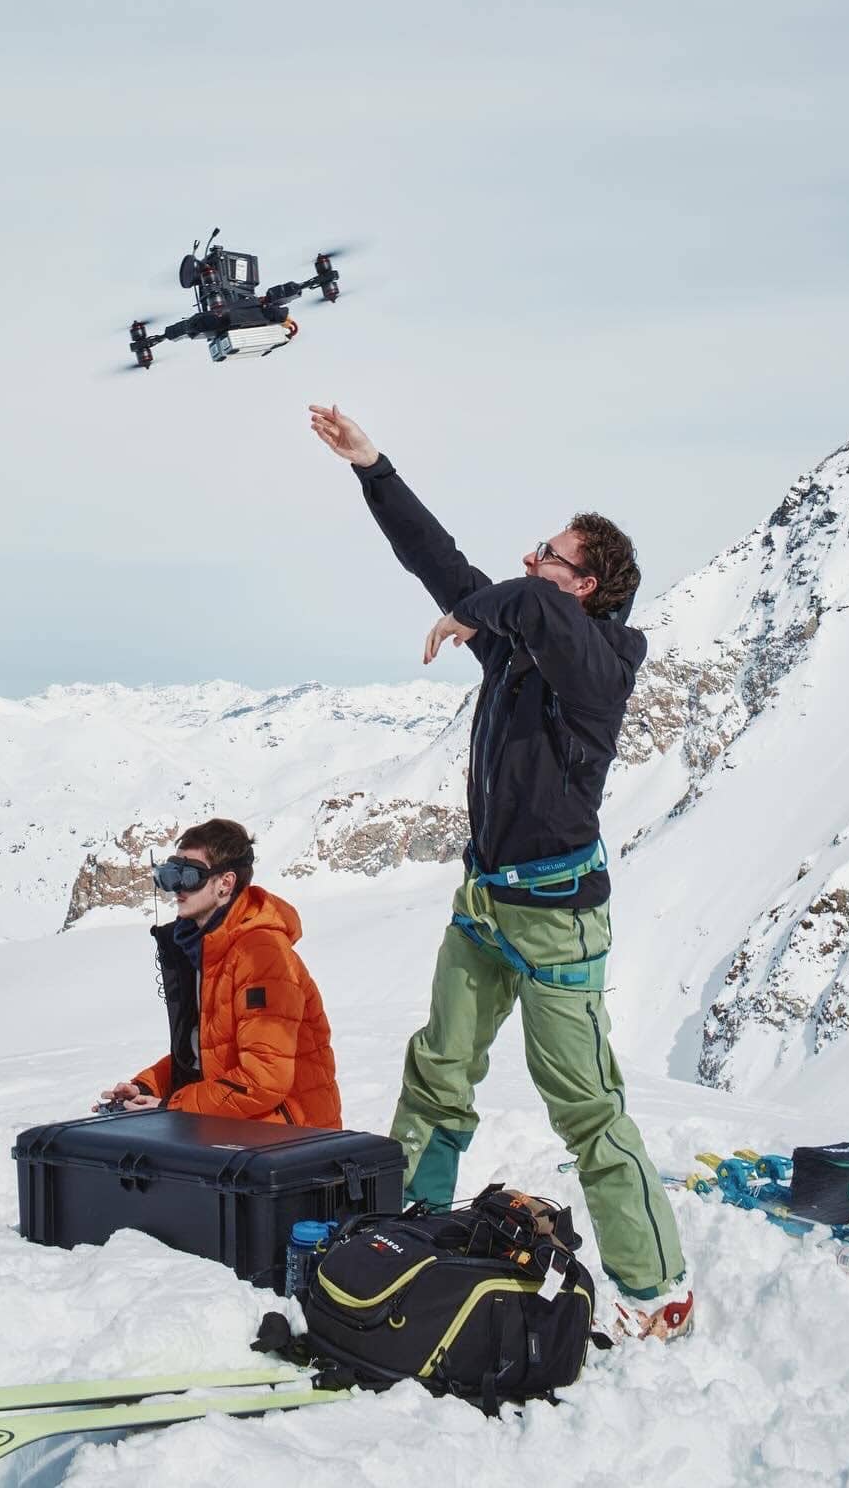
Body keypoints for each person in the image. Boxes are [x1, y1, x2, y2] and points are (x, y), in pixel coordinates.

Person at [308, 403, 690, 1336]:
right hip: (485, 903)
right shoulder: (522, 648)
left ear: (587, 583)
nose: (530, 562)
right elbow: (444, 566)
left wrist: (468, 614)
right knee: (437, 1074)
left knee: (588, 1113)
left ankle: (656, 1288)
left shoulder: (601, 663)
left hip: (558, 920)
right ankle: (409, 1236)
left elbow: (508, 600)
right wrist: (373, 467)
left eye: (549, 555)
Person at [98, 817, 342, 1128]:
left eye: (189, 876)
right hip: (245, 1133)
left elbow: (263, 1080)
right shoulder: (206, 950)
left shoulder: (262, 955)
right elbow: (209, 1056)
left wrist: (171, 1106)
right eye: (170, 874)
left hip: (295, 1145)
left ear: (224, 884)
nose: (177, 888)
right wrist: (146, 1088)